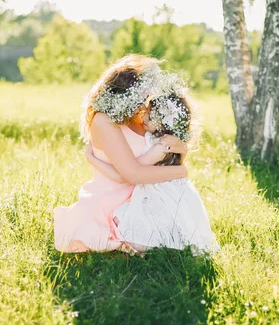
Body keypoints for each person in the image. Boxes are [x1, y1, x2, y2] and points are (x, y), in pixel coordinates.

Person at [53, 55, 188, 253]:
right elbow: (132, 174)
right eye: (141, 96)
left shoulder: (140, 117)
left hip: (146, 198)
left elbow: (164, 152)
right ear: (125, 96)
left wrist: (182, 148)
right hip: (110, 204)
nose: (144, 104)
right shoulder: (104, 121)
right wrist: (182, 172)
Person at [86, 90, 220, 256]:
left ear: (163, 124)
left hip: (158, 194)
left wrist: (92, 159)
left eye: (149, 117)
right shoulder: (169, 142)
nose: (143, 118)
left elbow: (124, 175)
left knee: (122, 220)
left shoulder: (159, 147)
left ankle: (156, 246)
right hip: (175, 191)